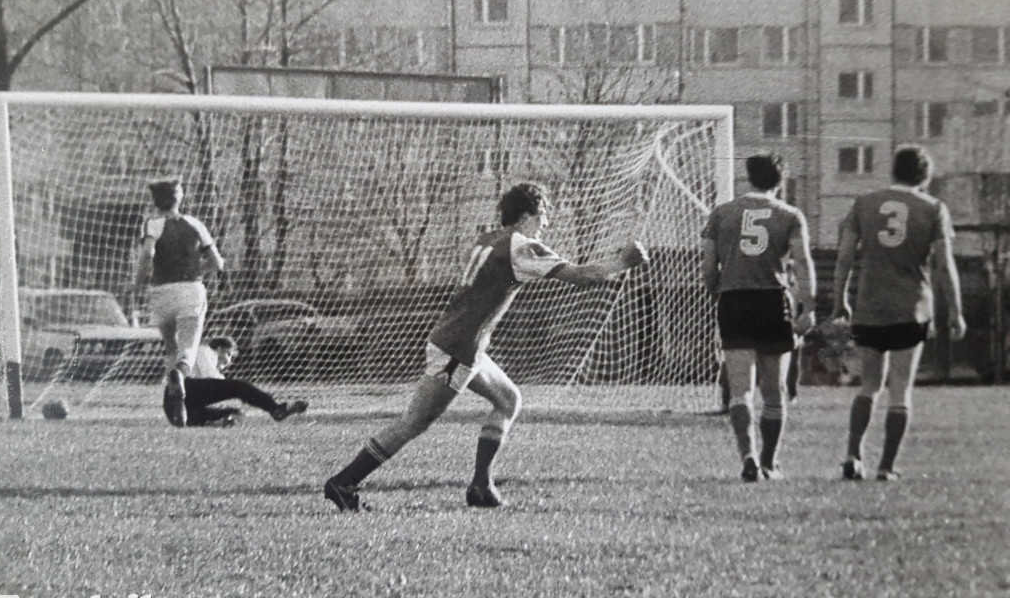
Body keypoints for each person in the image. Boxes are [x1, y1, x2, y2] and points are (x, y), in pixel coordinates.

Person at [323, 182, 649, 511]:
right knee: (414, 422)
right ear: (525, 217)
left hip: (464, 344)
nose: (547, 222)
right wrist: (622, 262)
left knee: (508, 400)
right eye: (544, 214)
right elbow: (580, 276)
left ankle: (481, 486)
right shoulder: (522, 246)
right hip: (458, 348)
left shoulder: (488, 239)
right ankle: (343, 482)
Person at [833, 145, 966, 481]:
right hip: (911, 307)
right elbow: (944, 264)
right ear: (925, 176)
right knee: (901, 389)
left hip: (870, 307)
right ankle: (886, 467)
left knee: (869, 387)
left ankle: (852, 455)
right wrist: (956, 311)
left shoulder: (864, 203)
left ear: (893, 170)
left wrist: (839, 300)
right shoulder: (933, 207)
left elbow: (845, 256)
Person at [701, 154, 816, 482]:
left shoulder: (721, 213)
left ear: (747, 178)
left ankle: (748, 456)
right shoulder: (790, 215)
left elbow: (708, 267)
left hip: (734, 301)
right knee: (774, 391)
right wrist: (808, 308)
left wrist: (716, 294)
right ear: (780, 182)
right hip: (771, 301)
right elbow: (804, 262)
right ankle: (769, 464)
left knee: (740, 391)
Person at [135, 177, 224, 427]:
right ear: (179, 197)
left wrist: (138, 280)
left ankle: (178, 409)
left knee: (171, 349)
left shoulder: (152, 224)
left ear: (156, 200)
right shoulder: (195, 224)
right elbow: (218, 263)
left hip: (161, 291)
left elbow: (148, 254)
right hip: (191, 290)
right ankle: (180, 376)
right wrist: (196, 270)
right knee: (188, 350)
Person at [162, 336, 309, 427]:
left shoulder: (206, 359)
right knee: (239, 386)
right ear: (219, 349)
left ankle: (214, 421)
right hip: (182, 392)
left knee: (233, 412)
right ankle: (275, 409)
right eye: (229, 355)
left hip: (178, 409)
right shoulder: (204, 351)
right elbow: (210, 378)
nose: (229, 361)